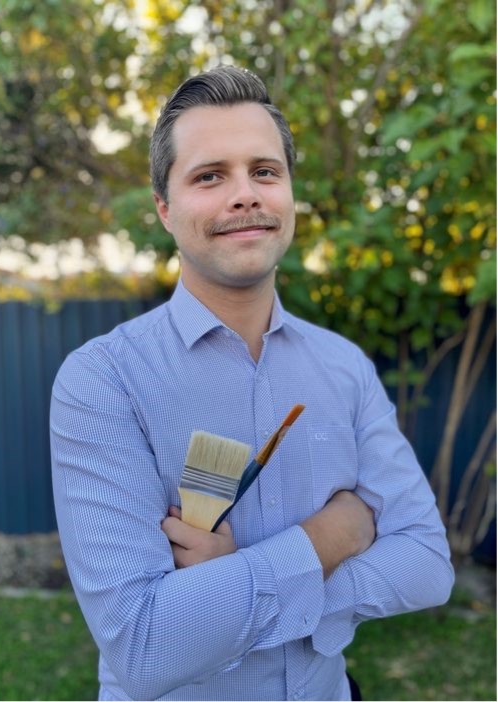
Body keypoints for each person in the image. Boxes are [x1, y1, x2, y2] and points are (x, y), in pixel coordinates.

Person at [50, 66, 454, 702]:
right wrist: (331, 537)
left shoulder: (343, 366)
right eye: (210, 176)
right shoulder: (104, 380)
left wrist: (235, 583)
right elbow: (145, 647)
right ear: (164, 208)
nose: (246, 194)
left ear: (290, 193)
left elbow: (428, 566)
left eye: (265, 171)